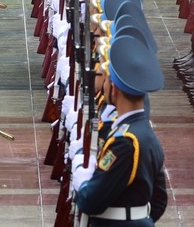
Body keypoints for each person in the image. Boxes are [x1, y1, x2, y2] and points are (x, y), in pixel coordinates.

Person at [72, 34, 168, 225]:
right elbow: (158, 201)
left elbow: (91, 201)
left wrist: (81, 179)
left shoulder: (125, 141)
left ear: (114, 88)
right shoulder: (145, 133)